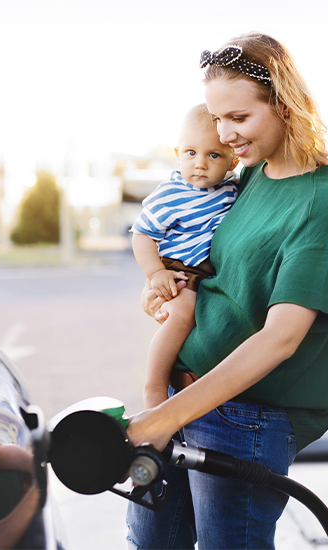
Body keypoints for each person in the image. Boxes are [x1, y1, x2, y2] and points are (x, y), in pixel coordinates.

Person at [125, 33, 328, 549]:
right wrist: (165, 281)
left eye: (238, 118)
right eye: (216, 118)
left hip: (245, 418)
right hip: (183, 396)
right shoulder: (250, 173)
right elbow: (218, 264)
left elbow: (281, 337)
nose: (223, 134)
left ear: (284, 104)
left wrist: (166, 416)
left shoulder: (324, 201)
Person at [130, 103, 239, 409]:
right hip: (178, 270)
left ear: (232, 162)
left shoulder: (232, 189)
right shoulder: (171, 194)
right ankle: (154, 386)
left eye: (213, 155)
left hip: (204, 272)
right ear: (178, 153)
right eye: (191, 153)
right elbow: (142, 234)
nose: (200, 164)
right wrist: (155, 274)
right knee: (182, 313)